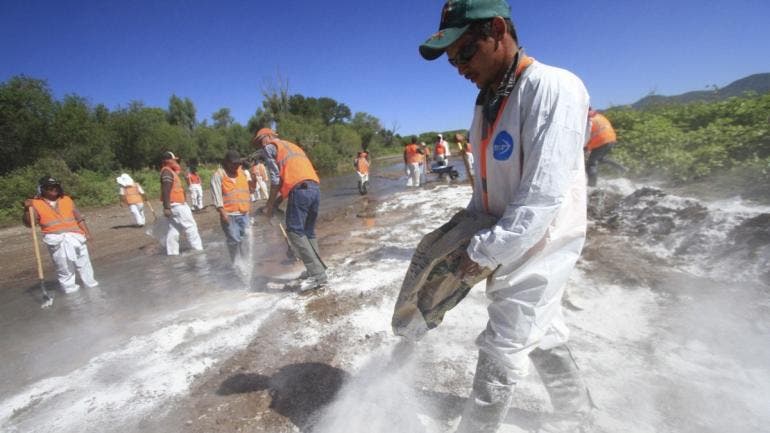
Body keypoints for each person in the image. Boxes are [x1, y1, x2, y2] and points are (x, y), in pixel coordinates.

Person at [419, 1, 592, 432]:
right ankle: (579, 413)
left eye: (463, 53)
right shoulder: (486, 106)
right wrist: (460, 236)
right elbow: (484, 194)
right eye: (450, 59)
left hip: (543, 241)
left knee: (503, 343)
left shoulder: (553, 87)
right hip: (505, 241)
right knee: (543, 327)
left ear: (497, 29)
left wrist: (484, 252)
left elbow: (542, 196)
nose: (457, 67)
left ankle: (476, 426)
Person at [251, 128, 327, 291]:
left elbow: (276, 180)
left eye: (260, 141)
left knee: (294, 231)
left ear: (269, 137)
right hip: (314, 188)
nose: (260, 145)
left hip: (301, 189)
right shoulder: (291, 146)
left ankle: (318, 274)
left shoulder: (270, 148)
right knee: (308, 232)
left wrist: (270, 206)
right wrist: (277, 202)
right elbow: (294, 180)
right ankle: (315, 268)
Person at [23, 176, 99, 293]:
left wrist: (87, 233)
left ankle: (92, 287)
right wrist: (27, 209)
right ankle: (71, 291)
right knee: (64, 267)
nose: (54, 189)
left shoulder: (67, 199)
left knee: (84, 264)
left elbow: (79, 219)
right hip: (56, 240)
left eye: (56, 186)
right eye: (50, 187)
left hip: (76, 237)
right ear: (42, 189)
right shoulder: (35, 204)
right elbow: (29, 223)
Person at [159, 151, 203, 255]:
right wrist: (166, 207)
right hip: (176, 205)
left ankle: (172, 254)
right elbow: (166, 189)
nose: (175, 161)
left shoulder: (169, 171)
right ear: (167, 161)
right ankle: (198, 250)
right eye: (174, 160)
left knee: (174, 229)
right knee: (190, 226)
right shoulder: (167, 172)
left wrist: (167, 207)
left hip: (175, 205)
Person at [211, 150, 251, 261]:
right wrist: (222, 212)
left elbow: (249, 189)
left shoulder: (242, 172)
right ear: (227, 162)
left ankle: (246, 262)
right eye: (233, 163)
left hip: (244, 213)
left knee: (246, 239)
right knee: (234, 239)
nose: (235, 165)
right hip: (229, 214)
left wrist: (254, 181)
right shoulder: (219, 175)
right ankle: (235, 261)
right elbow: (216, 195)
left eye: (237, 163)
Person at [585, 109, 618, 187]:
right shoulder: (599, 116)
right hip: (611, 139)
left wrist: (586, 147)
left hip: (601, 141)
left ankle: (591, 186)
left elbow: (585, 136)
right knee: (599, 159)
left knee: (591, 164)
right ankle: (622, 169)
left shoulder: (588, 120)